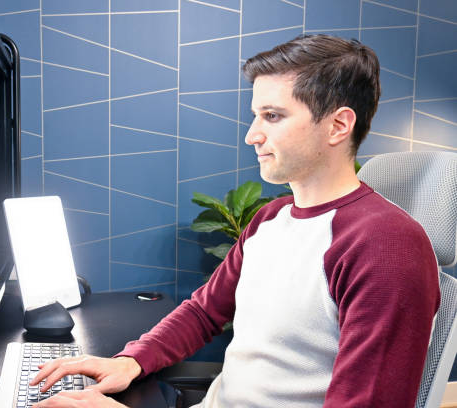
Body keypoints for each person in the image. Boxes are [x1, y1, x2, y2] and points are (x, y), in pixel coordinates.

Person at [28, 34, 440, 408]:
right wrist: (132, 362)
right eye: (255, 115)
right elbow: (204, 313)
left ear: (337, 125)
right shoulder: (270, 218)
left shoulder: (386, 245)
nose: (252, 135)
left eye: (273, 116)